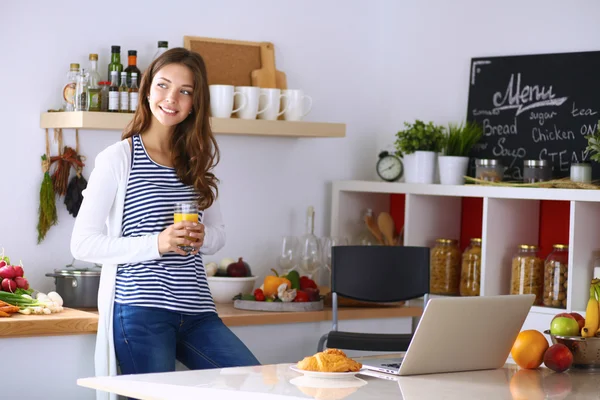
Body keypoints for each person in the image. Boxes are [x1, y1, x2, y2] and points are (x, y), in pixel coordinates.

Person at [71, 48, 259, 400]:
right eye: (163, 85)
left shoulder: (197, 162)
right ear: (146, 90)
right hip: (141, 310)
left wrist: (204, 236)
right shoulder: (119, 158)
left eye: (185, 91)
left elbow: (218, 236)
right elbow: (83, 243)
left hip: (197, 309)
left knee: (252, 384)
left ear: (194, 104)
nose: (171, 99)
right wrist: (158, 243)